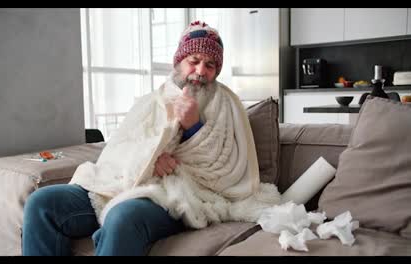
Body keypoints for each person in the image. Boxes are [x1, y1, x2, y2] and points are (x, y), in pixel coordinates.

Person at [22, 21, 280, 256]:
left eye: (210, 65)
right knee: (42, 203)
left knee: (123, 217)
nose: (201, 70)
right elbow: (116, 152)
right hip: (119, 185)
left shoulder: (226, 105)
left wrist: (193, 126)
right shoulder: (149, 103)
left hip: (178, 196)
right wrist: (150, 160)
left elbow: (226, 170)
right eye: (194, 60)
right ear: (178, 61)